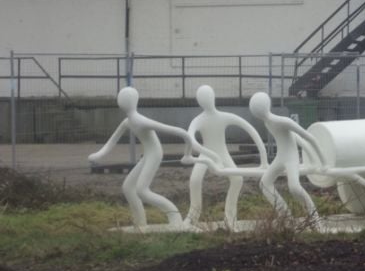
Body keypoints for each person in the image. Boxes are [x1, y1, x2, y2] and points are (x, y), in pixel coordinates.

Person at [88, 86, 219, 229]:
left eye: (124, 99)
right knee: (128, 187)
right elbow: (111, 142)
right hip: (147, 155)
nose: (121, 102)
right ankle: (140, 223)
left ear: (133, 101)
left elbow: (182, 133)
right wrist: (98, 155)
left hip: (155, 155)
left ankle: (174, 215)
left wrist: (188, 153)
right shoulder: (128, 122)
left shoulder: (141, 121)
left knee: (142, 190)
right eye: (121, 99)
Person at [184, 84, 269, 229]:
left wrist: (264, 159)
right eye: (203, 99)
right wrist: (207, 155)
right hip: (206, 154)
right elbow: (190, 139)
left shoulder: (223, 117)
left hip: (221, 153)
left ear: (213, 97)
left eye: (208, 97)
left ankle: (230, 218)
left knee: (237, 179)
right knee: (195, 180)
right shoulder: (198, 120)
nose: (207, 101)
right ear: (199, 102)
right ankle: (192, 218)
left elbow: (250, 129)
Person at [248, 91, 326, 218]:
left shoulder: (284, 121)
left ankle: (314, 218)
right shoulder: (267, 122)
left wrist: (323, 162)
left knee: (294, 187)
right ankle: (285, 216)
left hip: (291, 158)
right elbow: (292, 137)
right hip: (281, 157)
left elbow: (309, 138)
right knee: (264, 183)